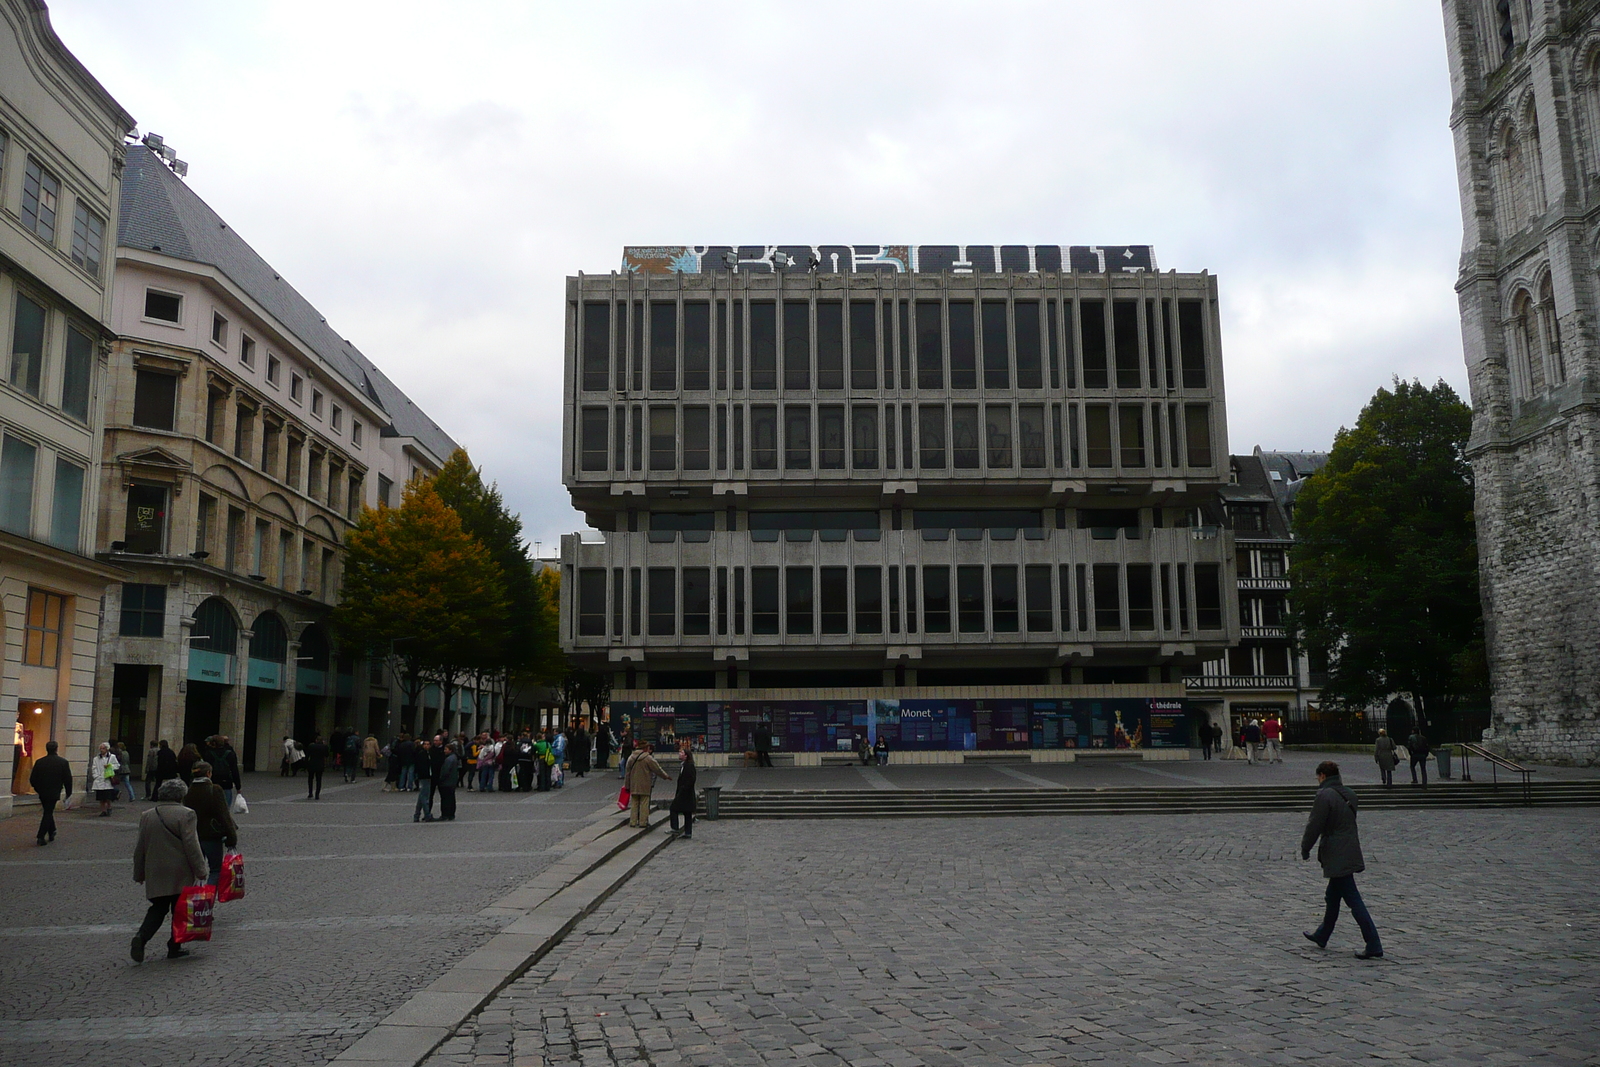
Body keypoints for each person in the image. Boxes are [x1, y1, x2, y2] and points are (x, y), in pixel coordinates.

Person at [1300, 760, 1383, 959]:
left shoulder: (1324, 795)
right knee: (1332, 896)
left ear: (1322, 775)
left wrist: (1305, 848)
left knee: (1353, 899)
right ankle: (1322, 934)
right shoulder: (1350, 794)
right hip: (1350, 848)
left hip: (1336, 853)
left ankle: (1373, 943)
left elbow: (1315, 825)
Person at [131, 778, 210, 962]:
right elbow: (192, 845)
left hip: (155, 869)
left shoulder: (147, 815)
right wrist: (201, 870)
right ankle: (174, 946)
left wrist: (139, 873)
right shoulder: (186, 814)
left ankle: (141, 938)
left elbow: (140, 847)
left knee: (158, 908)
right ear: (181, 795)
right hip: (179, 870)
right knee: (179, 909)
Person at [183, 761, 237, 886]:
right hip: (211, 835)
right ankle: (207, 899)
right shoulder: (214, 789)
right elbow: (223, 815)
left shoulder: (188, 791)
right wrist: (231, 837)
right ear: (208, 773)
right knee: (215, 870)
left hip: (193, 836)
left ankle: (196, 898)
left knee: (196, 870)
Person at [28, 740, 72, 845]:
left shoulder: (40, 762)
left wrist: (38, 789)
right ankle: (41, 836)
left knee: (48, 811)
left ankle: (52, 830)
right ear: (56, 749)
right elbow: (68, 779)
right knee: (48, 812)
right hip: (54, 791)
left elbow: (32, 779)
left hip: (43, 792)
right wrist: (68, 793)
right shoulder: (63, 762)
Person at [624, 742, 670, 828]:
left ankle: (633, 821)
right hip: (645, 784)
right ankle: (643, 822)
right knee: (644, 803)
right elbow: (657, 769)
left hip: (634, 784)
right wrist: (665, 776)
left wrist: (627, 785)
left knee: (634, 803)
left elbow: (627, 773)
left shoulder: (631, 757)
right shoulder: (648, 758)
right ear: (645, 748)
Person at [668, 742, 697, 839]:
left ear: (686, 756)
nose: (679, 754)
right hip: (684, 794)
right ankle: (687, 832)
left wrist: (682, 791)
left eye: (681, 753)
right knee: (687, 813)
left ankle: (675, 828)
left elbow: (690, 780)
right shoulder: (684, 765)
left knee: (674, 808)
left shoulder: (689, 766)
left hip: (685, 794)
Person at [91, 742, 120, 816]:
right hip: (99, 780)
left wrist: (110, 766)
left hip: (108, 779)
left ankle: (109, 807)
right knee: (101, 798)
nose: (101, 750)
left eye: (103, 748)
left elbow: (117, 765)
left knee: (107, 797)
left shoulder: (112, 757)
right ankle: (103, 810)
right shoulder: (96, 758)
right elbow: (94, 768)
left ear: (107, 749)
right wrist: (96, 776)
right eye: (100, 748)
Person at [413, 739, 436, 822]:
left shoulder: (428, 753)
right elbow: (421, 766)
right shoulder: (422, 754)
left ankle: (417, 815)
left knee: (421, 796)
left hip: (427, 776)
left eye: (428, 744)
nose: (426, 746)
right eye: (425, 744)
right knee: (424, 796)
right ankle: (427, 814)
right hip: (424, 776)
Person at [437, 743, 459, 821]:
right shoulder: (454, 757)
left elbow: (445, 771)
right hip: (452, 781)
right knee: (451, 798)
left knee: (445, 799)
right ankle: (451, 814)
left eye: (446, 749)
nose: (444, 751)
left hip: (447, 782)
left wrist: (440, 779)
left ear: (450, 750)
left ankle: (445, 814)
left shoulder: (449, 759)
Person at [304, 734, 329, 799]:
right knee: (318, 780)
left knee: (310, 779)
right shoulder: (324, 747)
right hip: (320, 765)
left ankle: (310, 793)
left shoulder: (311, 746)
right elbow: (327, 755)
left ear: (316, 740)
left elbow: (307, 756)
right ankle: (317, 794)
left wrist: (306, 764)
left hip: (311, 764)